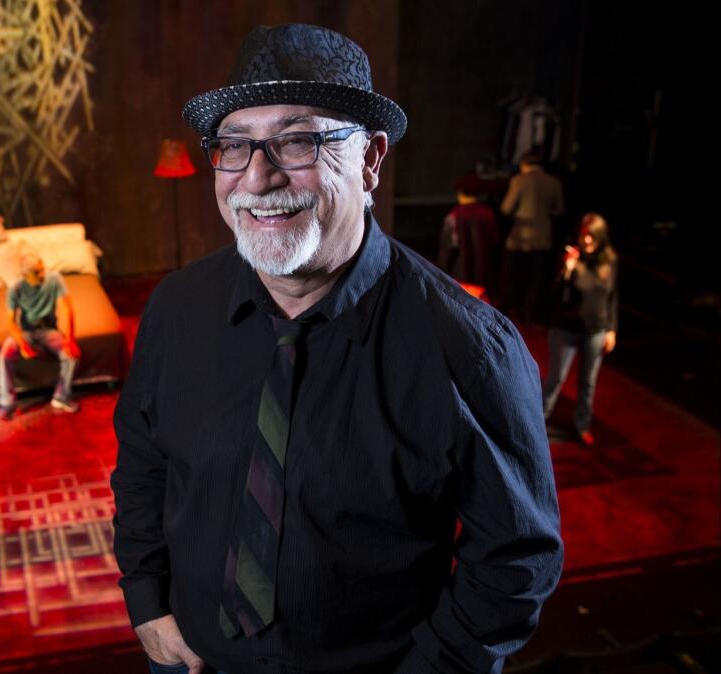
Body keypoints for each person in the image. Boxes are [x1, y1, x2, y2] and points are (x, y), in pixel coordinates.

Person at [110, 24, 563, 674]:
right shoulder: (176, 309)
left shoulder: (469, 348)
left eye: (297, 140)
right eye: (234, 145)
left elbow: (516, 557)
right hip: (187, 661)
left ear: (371, 159)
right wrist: (148, 603)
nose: (257, 179)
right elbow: (145, 463)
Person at [541, 213, 619, 446]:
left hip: (595, 329)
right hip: (566, 328)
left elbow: (613, 297)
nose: (586, 241)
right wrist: (567, 271)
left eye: (591, 237)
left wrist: (611, 329)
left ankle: (582, 424)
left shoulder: (609, 260)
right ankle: (538, 421)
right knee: (556, 377)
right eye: (583, 236)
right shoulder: (572, 257)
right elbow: (556, 296)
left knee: (588, 382)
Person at [0, 253, 81, 419]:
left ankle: (61, 397)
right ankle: (7, 403)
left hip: (49, 330)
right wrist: (22, 344)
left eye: (42, 270)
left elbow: (68, 308)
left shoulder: (54, 279)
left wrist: (70, 340)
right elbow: (10, 322)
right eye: (37, 273)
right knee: (4, 355)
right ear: (26, 275)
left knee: (72, 355)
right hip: (25, 332)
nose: (43, 275)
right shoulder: (16, 288)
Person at [500, 151, 564, 325]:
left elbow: (506, 208)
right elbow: (559, 210)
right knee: (535, 280)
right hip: (543, 238)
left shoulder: (519, 181)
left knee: (515, 277)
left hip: (519, 239)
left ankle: (513, 313)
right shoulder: (554, 182)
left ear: (524, 164)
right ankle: (531, 315)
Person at [438, 174, 499, 290]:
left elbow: (447, 251)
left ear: (460, 192)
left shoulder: (454, 216)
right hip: (485, 279)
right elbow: (495, 244)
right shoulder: (488, 214)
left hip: (460, 279)